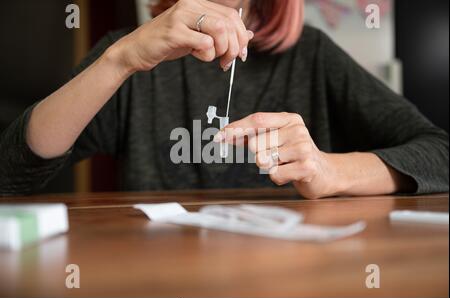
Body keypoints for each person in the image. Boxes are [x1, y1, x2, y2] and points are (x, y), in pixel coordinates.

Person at [0, 0, 448, 199]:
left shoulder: (311, 55)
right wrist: (119, 60)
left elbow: (440, 154)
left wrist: (330, 170)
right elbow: (10, 173)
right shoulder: (129, 55)